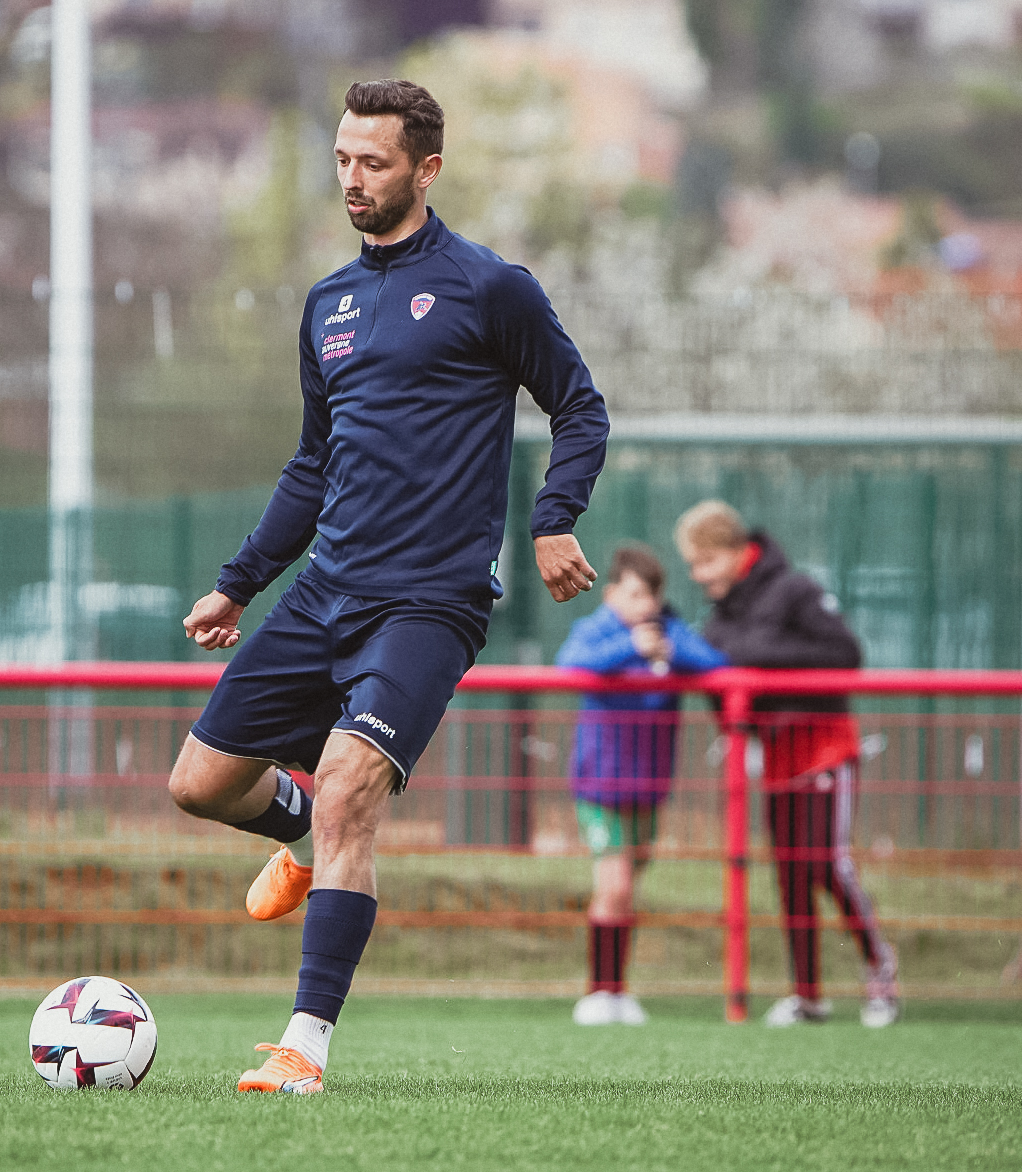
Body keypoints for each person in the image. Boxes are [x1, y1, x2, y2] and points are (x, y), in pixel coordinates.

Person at [167, 78, 610, 1094]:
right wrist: (238, 585)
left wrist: (552, 521)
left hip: (430, 601)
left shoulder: (491, 288)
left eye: (372, 161)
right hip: (326, 591)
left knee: (352, 791)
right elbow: (312, 464)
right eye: (341, 159)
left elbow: (579, 410)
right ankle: (302, 840)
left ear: (426, 169)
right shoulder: (326, 302)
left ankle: (303, 1048)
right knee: (198, 784)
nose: (352, 178)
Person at [674, 500, 900, 1028]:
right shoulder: (722, 613)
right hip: (777, 755)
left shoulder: (795, 590)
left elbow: (845, 653)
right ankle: (808, 996)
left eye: (704, 561)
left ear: (735, 552)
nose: (697, 575)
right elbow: (718, 669)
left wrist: (751, 654)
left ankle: (880, 971)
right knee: (791, 875)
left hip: (825, 746)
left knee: (827, 864)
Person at [555, 544, 726, 1026]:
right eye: (633, 594)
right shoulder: (598, 632)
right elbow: (571, 664)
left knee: (625, 892)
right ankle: (599, 992)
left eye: (650, 595)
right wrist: (632, 647)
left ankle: (616, 990)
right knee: (614, 886)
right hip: (599, 786)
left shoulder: (667, 632)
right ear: (611, 593)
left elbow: (713, 663)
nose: (643, 604)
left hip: (648, 788)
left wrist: (668, 646)